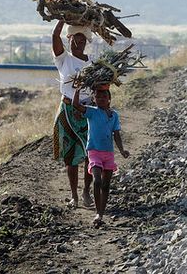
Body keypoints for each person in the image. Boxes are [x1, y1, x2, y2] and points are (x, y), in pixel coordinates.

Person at [73, 86, 130, 225]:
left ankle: (101, 213)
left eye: (104, 97)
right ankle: (98, 214)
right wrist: (77, 90)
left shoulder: (114, 115)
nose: (101, 99)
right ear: (94, 99)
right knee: (97, 181)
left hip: (108, 153)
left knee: (105, 185)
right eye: (98, 97)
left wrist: (122, 150)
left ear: (109, 99)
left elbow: (116, 134)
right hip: (94, 151)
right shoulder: (92, 112)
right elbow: (76, 105)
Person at [52, 20, 94, 208]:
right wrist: (62, 18)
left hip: (87, 111)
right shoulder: (63, 59)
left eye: (82, 40)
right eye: (75, 40)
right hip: (68, 111)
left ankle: (86, 192)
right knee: (71, 155)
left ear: (86, 42)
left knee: (90, 154)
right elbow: (54, 37)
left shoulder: (92, 63)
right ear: (69, 40)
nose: (78, 43)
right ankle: (74, 195)